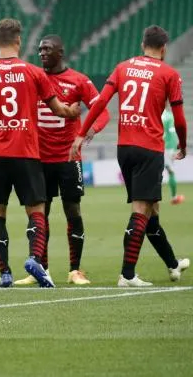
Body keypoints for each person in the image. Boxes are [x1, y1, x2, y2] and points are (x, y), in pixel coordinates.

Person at [0, 18, 80, 289]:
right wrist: (72, 111)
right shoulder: (33, 73)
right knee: (36, 209)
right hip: (26, 151)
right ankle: (35, 258)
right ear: (18, 41)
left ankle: (5, 273)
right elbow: (58, 108)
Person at [72, 25, 189, 286]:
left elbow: (100, 102)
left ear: (142, 45)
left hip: (124, 148)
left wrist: (81, 133)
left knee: (152, 211)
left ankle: (172, 264)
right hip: (149, 148)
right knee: (141, 210)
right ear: (164, 48)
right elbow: (179, 118)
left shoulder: (122, 67)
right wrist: (183, 144)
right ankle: (127, 275)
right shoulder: (169, 73)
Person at [14, 35, 109, 286]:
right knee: (39, 214)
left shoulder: (79, 80)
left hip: (68, 158)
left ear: (61, 52)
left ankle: (75, 270)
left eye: (47, 49)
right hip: (38, 159)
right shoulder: (34, 78)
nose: (42, 52)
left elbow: (103, 112)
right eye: (40, 49)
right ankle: (40, 269)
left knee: (72, 211)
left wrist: (88, 130)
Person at [162, 108, 185, 204]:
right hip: (167, 148)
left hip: (153, 146)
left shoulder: (152, 112)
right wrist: (175, 149)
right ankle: (174, 197)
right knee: (170, 171)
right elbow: (172, 133)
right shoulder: (168, 116)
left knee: (154, 172)